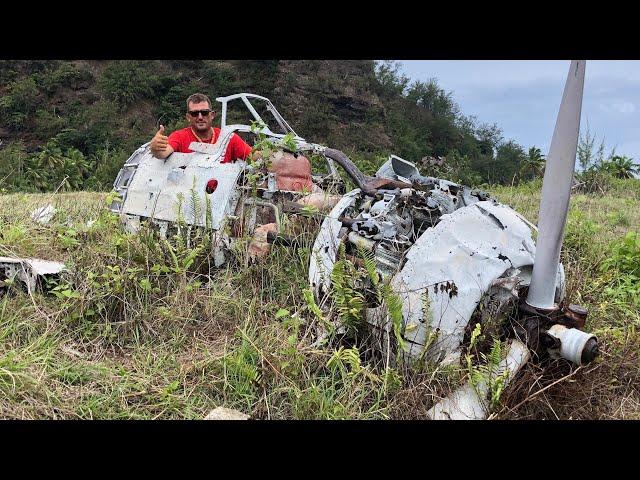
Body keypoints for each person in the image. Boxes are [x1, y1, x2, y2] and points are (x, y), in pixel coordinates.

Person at [149, 93, 252, 162]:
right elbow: (163, 153)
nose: (200, 117)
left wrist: (267, 154)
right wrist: (155, 148)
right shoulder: (179, 136)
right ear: (188, 117)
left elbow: (253, 156)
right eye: (194, 113)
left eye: (204, 112)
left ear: (212, 115)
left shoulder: (228, 137)